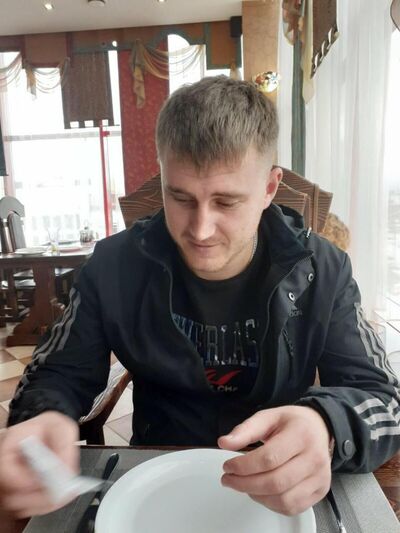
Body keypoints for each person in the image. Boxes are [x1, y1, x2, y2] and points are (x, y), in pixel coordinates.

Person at [0, 75, 399, 519]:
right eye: (181, 197)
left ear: (269, 188)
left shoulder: (322, 269)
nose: (201, 229)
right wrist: (45, 417)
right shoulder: (113, 267)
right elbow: (54, 375)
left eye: (226, 202)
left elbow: (385, 402)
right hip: (155, 478)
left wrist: (325, 424)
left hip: (280, 481)